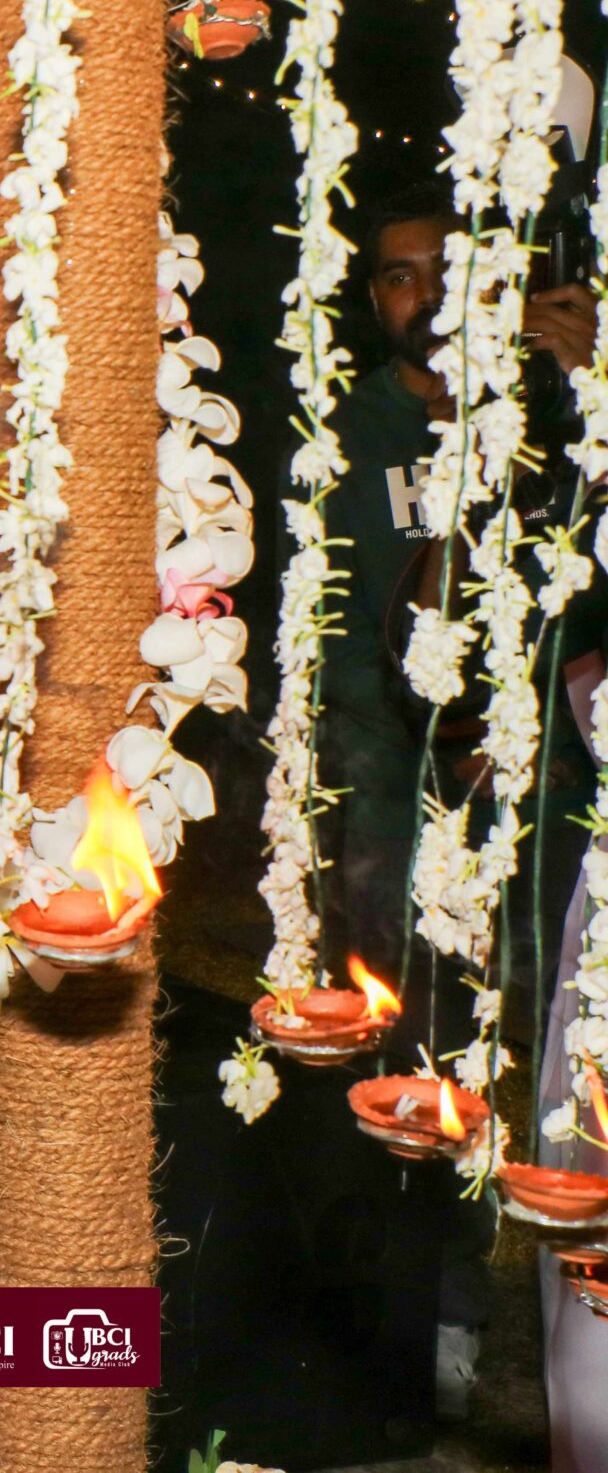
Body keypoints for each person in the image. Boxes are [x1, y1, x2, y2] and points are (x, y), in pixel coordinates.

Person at [315, 180, 604, 1420]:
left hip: (550, 798)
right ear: (370, 301)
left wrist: (580, 383)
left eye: (447, 267)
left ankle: (555, 1330)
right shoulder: (350, 431)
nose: (425, 294)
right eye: (397, 275)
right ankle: (415, 1323)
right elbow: (343, 635)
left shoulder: (551, 411)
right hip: (398, 792)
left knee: (561, 1053)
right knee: (414, 1052)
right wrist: (407, 763)